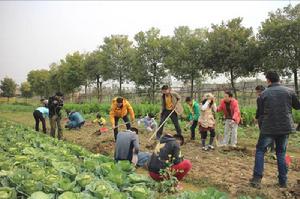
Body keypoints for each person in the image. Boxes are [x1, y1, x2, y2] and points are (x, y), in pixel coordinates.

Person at [250, 71, 300, 188]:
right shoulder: (289, 91)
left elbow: (261, 113)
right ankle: (283, 182)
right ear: (279, 79)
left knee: (260, 150)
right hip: (285, 127)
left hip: (268, 128)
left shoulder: (264, 94)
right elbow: (297, 106)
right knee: (281, 153)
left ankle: (257, 179)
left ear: (268, 80)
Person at [255, 85, 275, 155]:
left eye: (259, 92)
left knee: (268, 133)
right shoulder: (259, 98)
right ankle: (267, 149)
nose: (258, 93)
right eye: (257, 92)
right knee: (265, 133)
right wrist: (256, 117)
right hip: (262, 118)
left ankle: (271, 149)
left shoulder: (266, 98)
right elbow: (258, 109)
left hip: (266, 118)